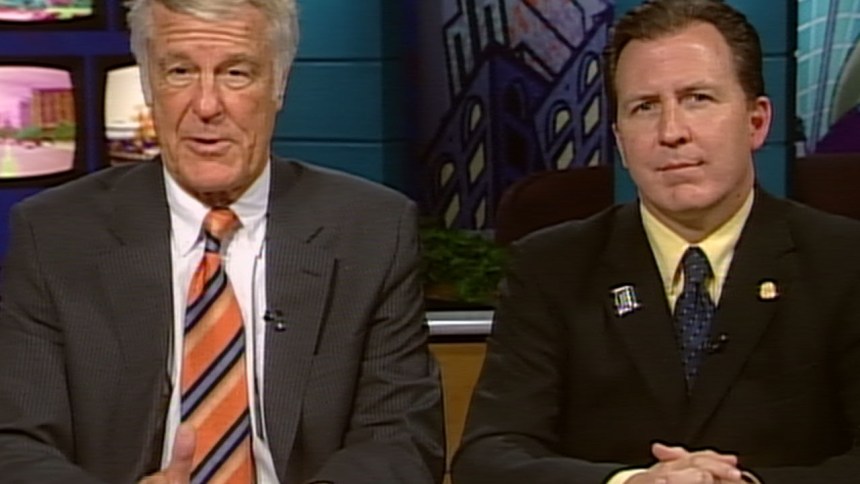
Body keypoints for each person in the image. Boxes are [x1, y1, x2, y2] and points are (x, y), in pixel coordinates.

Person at [0, 0, 445, 483]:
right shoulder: (56, 235)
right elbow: (16, 441)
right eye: (180, 71)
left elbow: (400, 438)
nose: (207, 106)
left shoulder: (370, 231)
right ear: (148, 85)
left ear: (279, 84)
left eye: (236, 73)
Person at [452, 0, 860, 483]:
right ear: (620, 140)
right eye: (645, 107)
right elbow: (489, 458)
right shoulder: (551, 267)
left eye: (697, 99)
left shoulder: (844, 262)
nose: (671, 132)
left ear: (756, 122)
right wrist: (631, 483)